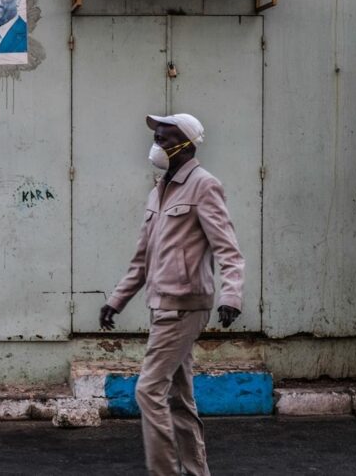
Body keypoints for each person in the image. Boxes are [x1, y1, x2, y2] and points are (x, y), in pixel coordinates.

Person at [99, 113, 245, 476]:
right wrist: (116, 300)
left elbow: (227, 249)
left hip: (185, 307)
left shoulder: (204, 186)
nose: (156, 145)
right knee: (178, 399)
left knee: (147, 390)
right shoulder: (157, 191)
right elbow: (142, 259)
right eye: (157, 137)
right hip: (160, 306)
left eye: (164, 139)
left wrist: (232, 295)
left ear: (186, 144)